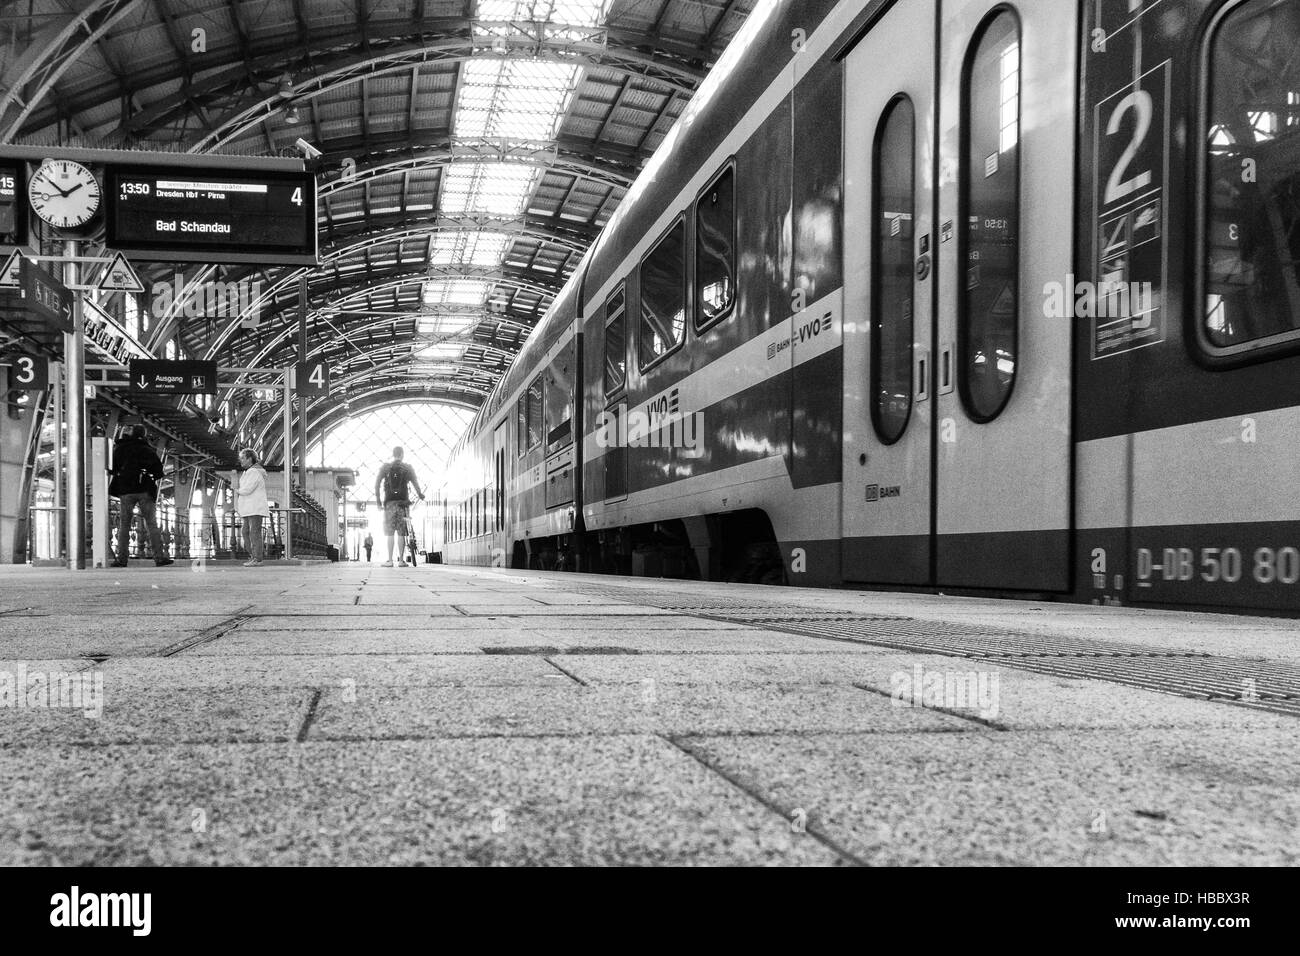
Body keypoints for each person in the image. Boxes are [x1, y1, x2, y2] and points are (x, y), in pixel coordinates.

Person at [109, 424, 174, 568]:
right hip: (144, 490)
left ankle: (121, 559)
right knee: (152, 524)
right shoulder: (147, 449)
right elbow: (158, 472)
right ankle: (159, 557)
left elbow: (112, 468)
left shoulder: (120, 448)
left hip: (125, 490)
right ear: (144, 435)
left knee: (124, 525)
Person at [374, 446, 424, 567]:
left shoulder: (385, 468)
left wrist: (379, 503)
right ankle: (401, 561)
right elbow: (415, 483)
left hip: (389, 504)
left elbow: (377, 484)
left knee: (390, 533)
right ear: (402, 455)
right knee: (401, 532)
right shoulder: (407, 468)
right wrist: (420, 494)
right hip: (403, 504)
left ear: (393, 454)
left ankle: (390, 560)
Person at [234, 448, 270, 568]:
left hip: (254, 508)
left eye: (243, 458)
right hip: (249, 508)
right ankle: (253, 556)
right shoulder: (249, 472)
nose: (241, 461)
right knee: (247, 532)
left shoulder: (254, 472)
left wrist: (236, 490)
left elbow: (248, 489)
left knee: (254, 532)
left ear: (249, 459)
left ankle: (257, 558)